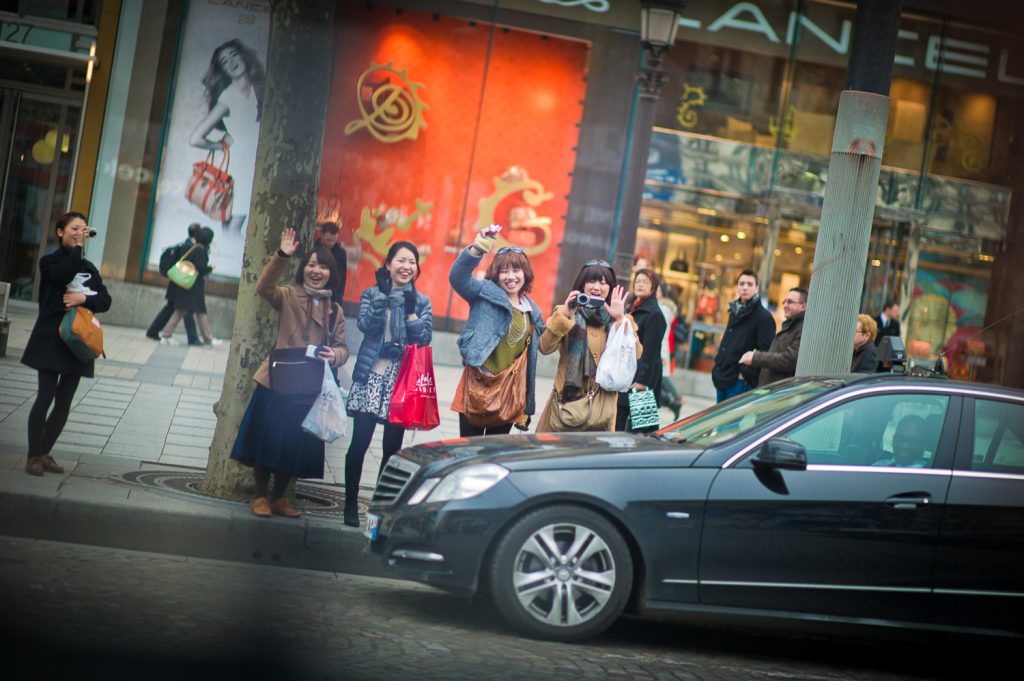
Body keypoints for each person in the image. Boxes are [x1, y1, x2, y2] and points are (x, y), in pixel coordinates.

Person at [230, 228, 348, 518]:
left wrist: (335, 355)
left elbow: (343, 348)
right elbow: (263, 287)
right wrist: (282, 254)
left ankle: (280, 497)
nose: (316, 270)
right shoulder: (287, 295)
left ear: (331, 273)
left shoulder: (336, 311)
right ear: (302, 269)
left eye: (322, 266)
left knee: (293, 444)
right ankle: (260, 496)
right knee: (266, 440)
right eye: (310, 265)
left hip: (309, 386)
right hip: (277, 380)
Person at [343, 241, 432, 527]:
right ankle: (350, 503)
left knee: (392, 451)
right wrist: (383, 296)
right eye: (401, 261)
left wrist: (409, 312)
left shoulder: (421, 301)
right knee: (359, 443)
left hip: (401, 381)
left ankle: (378, 510)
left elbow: (424, 338)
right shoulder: (371, 293)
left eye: (412, 262)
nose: (407, 267)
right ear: (388, 264)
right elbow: (366, 326)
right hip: (372, 374)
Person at [22, 212, 112, 476]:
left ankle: (44, 451)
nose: (79, 232)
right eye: (74, 228)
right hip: (51, 337)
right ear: (60, 232)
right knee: (46, 396)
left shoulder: (89, 268)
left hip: (79, 340)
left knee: (64, 402)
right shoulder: (48, 261)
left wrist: (82, 300)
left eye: (83, 229)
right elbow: (62, 276)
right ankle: (32, 456)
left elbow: (105, 301)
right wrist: (77, 251)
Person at [449, 230, 545, 436]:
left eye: (516, 270)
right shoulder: (484, 293)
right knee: (468, 451)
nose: (510, 277)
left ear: (525, 274)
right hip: (476, 385)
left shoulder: (532, 312)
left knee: (492, 455)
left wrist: (527, 404)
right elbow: (457, 278)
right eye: (504, 271)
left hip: (508, 393)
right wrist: (479, 246)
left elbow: (533, 357)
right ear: (496, 274)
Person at [536, 259, 639, 433]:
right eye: (591, 281)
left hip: (601, 406)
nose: (597, 287)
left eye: (603, 282)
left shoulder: (621, 320)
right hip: (567, 403)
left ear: (611, 288)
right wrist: (566, 314)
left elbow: (635, 355)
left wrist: (620, 320)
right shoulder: (566, 312)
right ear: (582, 285)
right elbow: (545, 347)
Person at [189, 39, 265, 234]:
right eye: (225, 61)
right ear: (223, 70)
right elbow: (195, 138)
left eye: (234, 55)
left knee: (241, 223)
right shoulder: (227, 98)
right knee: (233, 226)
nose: (231, 62)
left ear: (243, 56)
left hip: (258, 164)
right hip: (240, 169)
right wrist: (220, 145)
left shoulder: (260, 87)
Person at [615, 268, 667, 432]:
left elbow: (651, 352)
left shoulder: (654, 314)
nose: (640, 285)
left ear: (653, 287)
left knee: (642, 429)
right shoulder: (632, 307)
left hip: (643, 377)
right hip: (628, 371)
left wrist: (642, 381)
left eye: (645, 282)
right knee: (620, 419)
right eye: (638, 281)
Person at [711, 269, 775, 402]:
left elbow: (765, 351)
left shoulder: (764, 317)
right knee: (719, 421)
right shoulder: (734, 311)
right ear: (737, 287)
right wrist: (718, 363)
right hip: (722, 375)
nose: (745, 287)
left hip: (739, 380)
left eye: (750, 284)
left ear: (756, 288)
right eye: (742, 283)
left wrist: (744, 374)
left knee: (730, 422)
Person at [159, 226, 220, 346]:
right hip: (193, 288)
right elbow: (200, 267)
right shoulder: (200, 250)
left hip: (187, 287)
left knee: (182, 311)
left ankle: (166, 335)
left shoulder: (195, 248)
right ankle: (208, 338)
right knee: (199, 312)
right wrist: (210, 268)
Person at [739, 287, 807, 387]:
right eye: (784, 301)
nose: (785, 305)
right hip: (770, 390)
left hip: (778, 394)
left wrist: (756, 357)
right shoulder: (789, 327)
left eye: (790, 302)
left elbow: (788, 360)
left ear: (803, 307)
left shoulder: (802, 329)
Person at [147, 223, 200, 345]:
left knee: (172, 308)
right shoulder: (189, 246)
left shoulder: (184, 244)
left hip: (175, 284)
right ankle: (192, 338)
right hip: (179, 285)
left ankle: (153, 331)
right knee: (180, 309)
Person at [657, 284, 684, 420]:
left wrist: (661, 354)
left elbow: (661, 332)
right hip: (662, 347)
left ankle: (675, 400)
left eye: (658, 290)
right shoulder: (665, 308)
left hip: (660, 348)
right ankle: (673, 402)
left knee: (656, 381)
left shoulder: (663, 309)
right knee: (655, 382)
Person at [314, 221, 348, 305]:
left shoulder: (341, 253)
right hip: (314, 292)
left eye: (334, 240)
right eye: (329, 240)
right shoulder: (313, 248)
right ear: (322, 235)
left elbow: (342, 278)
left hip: (332, 296)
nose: (331, 244)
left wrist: (338, 300)